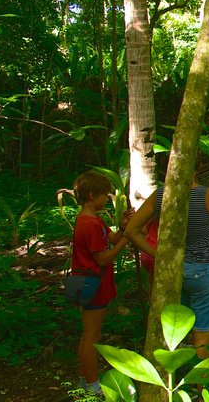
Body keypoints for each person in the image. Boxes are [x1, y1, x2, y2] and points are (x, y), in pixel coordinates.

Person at [125, 171, 209, 360]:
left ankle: (172, 383)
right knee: (202, 338)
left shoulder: (160, 195)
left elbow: (131, 231)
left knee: (175, 333)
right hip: (204, 270)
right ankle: (204, 388)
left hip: (173, 271)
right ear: (197, 170)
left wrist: (160, 256)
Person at [72, 170, 130, 397]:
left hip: (94, 284)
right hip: (93, 285)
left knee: (89, 334)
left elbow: (111, 239)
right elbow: (103, 257)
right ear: (91, 195)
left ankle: (85, 379)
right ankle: (92, 384)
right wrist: (129, 237)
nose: (107, 199)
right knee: (91, 336)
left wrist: (123, 227)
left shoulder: (94, 220)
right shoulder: (90, 224)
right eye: (104, 195)